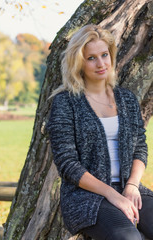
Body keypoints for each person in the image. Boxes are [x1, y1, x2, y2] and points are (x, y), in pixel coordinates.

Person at [46, 24, 153, 240]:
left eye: (104, 55)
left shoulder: (127, 100)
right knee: (130, 238)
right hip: (86, 198)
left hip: (129, 188)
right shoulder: (65, 103)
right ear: (79, 62)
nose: (101, 63)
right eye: (91, 58)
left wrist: (131, 187)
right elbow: (68, 165)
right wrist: (113, 195)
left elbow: (139, 148)